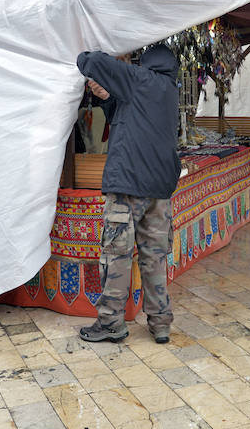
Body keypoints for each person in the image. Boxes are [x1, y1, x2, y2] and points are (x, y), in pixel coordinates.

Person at [75, 44, 180, 344]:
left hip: (129, 186)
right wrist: (108, 97)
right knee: (154, 257)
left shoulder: (140, 80)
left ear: (145, 63)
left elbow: (91, 61)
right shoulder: (168, 91)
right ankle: (160, 323)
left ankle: (111, 322)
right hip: (158, 191)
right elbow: (128, 117)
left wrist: (97, 50)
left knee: (117, 255)